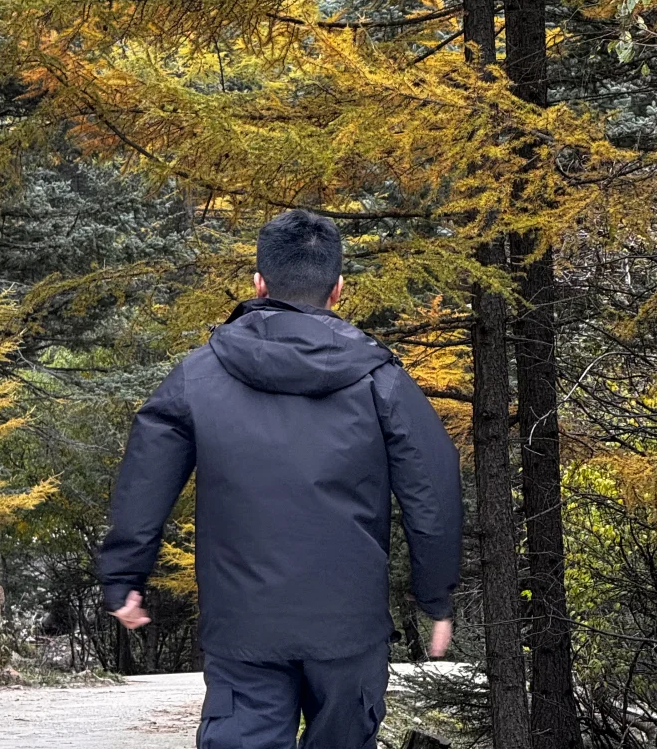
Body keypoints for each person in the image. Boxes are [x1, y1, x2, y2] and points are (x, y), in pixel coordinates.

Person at [98, 207, 463, 749]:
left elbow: (146, 477)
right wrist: (436, 600)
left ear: (259, 283)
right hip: (348, 627)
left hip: (244, 626)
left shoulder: (198, 376)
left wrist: (124, 577)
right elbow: (430, 492)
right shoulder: (382, 383)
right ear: (338, 289)